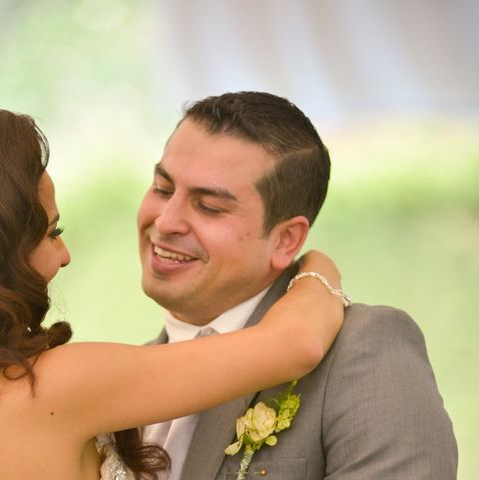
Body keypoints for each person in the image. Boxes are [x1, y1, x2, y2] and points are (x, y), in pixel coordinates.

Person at [0, 110, 346, 480]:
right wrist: (314, 264)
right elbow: (296, 343)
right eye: (53, 232)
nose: (65, 255)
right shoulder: (61, 385)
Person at [139, 91, 458, 479]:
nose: (167, 220)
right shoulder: (112, 383)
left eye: (210, 207)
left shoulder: (362, 349)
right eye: (162, 188)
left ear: (286, 240)